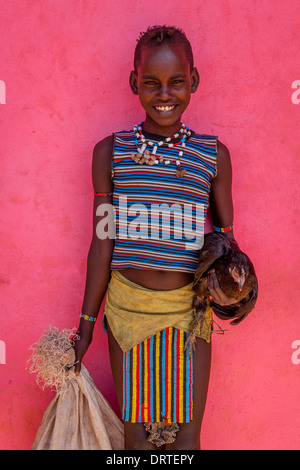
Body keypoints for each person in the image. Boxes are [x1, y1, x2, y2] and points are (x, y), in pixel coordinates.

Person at [74, 25, 241, 451]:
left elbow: (225, 239)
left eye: (176, 82)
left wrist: (236, 279)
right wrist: (86, 326)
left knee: (186, 440)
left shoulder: (212, 156)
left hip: (188, 311)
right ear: (135, 83)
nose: (163, 93)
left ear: (194, 82)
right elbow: (101, 242)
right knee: (137, 440)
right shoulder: (111, 153)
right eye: (151, 82)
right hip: (126, 308)